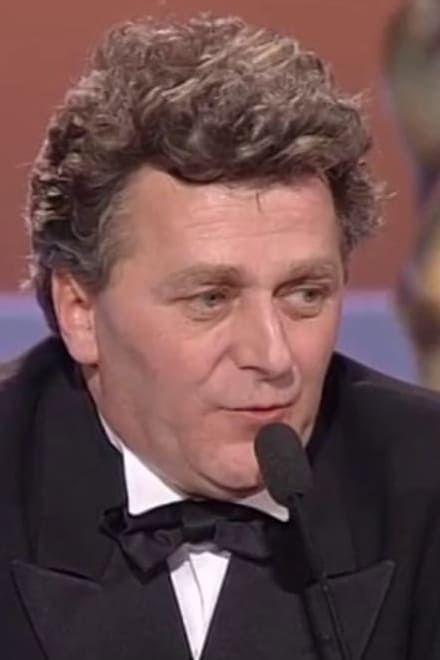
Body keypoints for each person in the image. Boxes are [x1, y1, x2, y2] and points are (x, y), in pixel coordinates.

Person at [2, 13, 440, 660]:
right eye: (210, 299)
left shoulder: (426, 478)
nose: (272, 356)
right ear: (80, 310)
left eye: (304, 294)